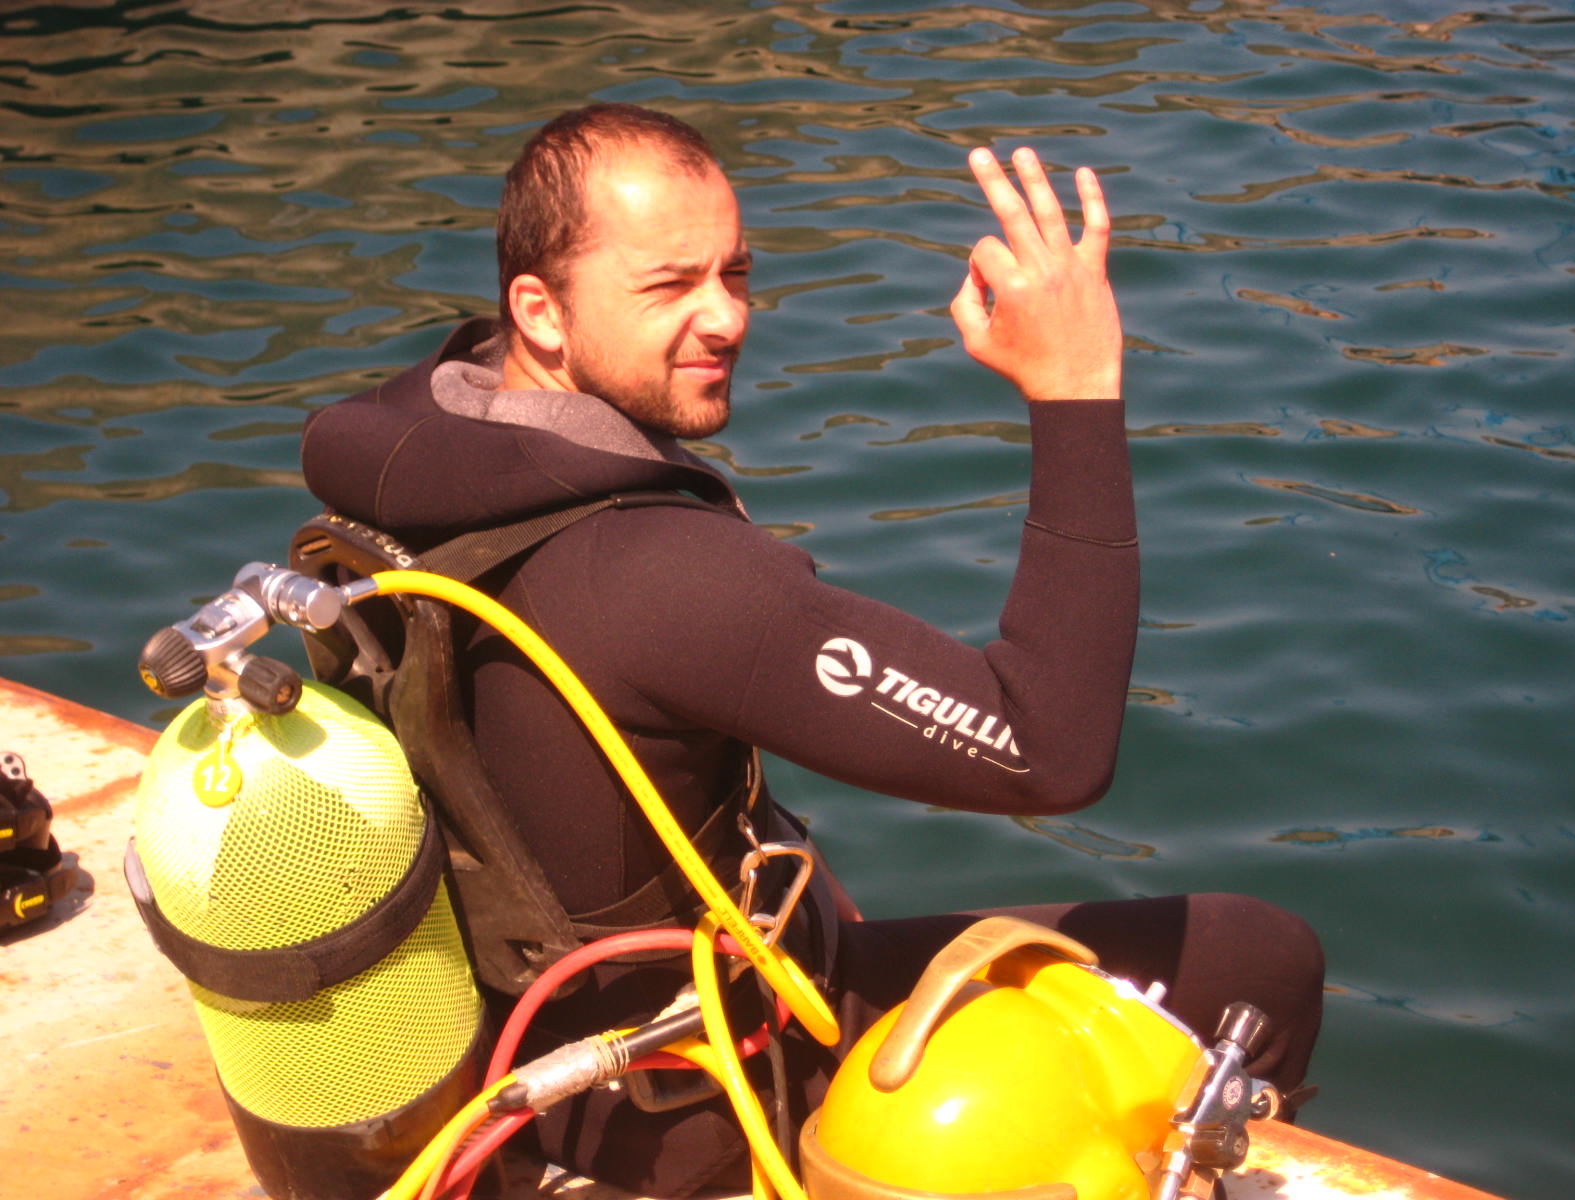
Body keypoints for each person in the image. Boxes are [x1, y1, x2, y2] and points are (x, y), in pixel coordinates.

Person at [300, 103, 1322, 1197]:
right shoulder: (658, 572)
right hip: (698, 1100)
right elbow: (1048, 747)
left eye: (734, 272)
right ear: (539, 311)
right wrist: (1075, 390)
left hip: (527, 1050)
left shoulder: (408, 463)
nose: (726, 317)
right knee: (1259, 959)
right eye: (668, 286)